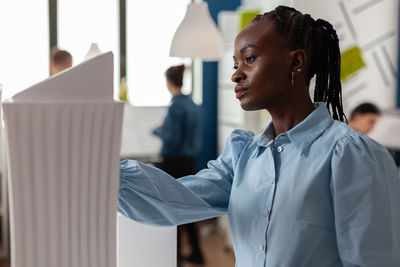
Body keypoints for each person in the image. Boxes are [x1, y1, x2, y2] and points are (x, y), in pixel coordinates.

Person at [118, 5, 400, 267]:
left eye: (249, 58)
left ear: (296, 61)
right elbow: (174, 200)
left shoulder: (352, 155)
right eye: (235, 64)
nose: (236, 76)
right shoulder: (244, 155)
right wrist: (103, 172)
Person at [152, 64, 204, 265]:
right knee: (188, 207)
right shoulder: (193, 104)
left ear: (169, 82)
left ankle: (173, 258)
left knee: (172, 209)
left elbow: (172, 140)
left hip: (173, 163)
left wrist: (158, 131)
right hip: (190, 162)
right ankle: (197, 253)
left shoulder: (175, 106)